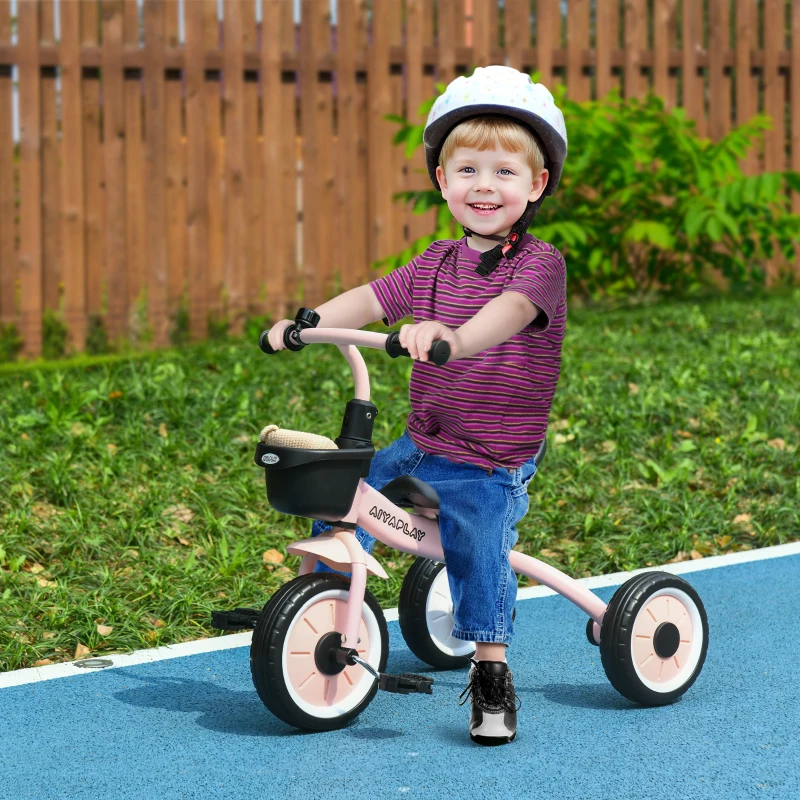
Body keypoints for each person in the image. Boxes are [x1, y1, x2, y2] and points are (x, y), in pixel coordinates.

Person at [267, 65, 568, 745]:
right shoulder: (434, 261)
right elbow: (375, 299)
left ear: (537, 184)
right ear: (443, 181)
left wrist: (452, 338)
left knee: (477, 544)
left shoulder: (539, 265)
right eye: (466, 170)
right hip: (428, 439)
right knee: (347, 493)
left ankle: (491, 673)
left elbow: (508, 314)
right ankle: (321, 596)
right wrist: (308, 323)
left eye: (503, 172)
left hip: (493, 455)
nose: (484, 186)